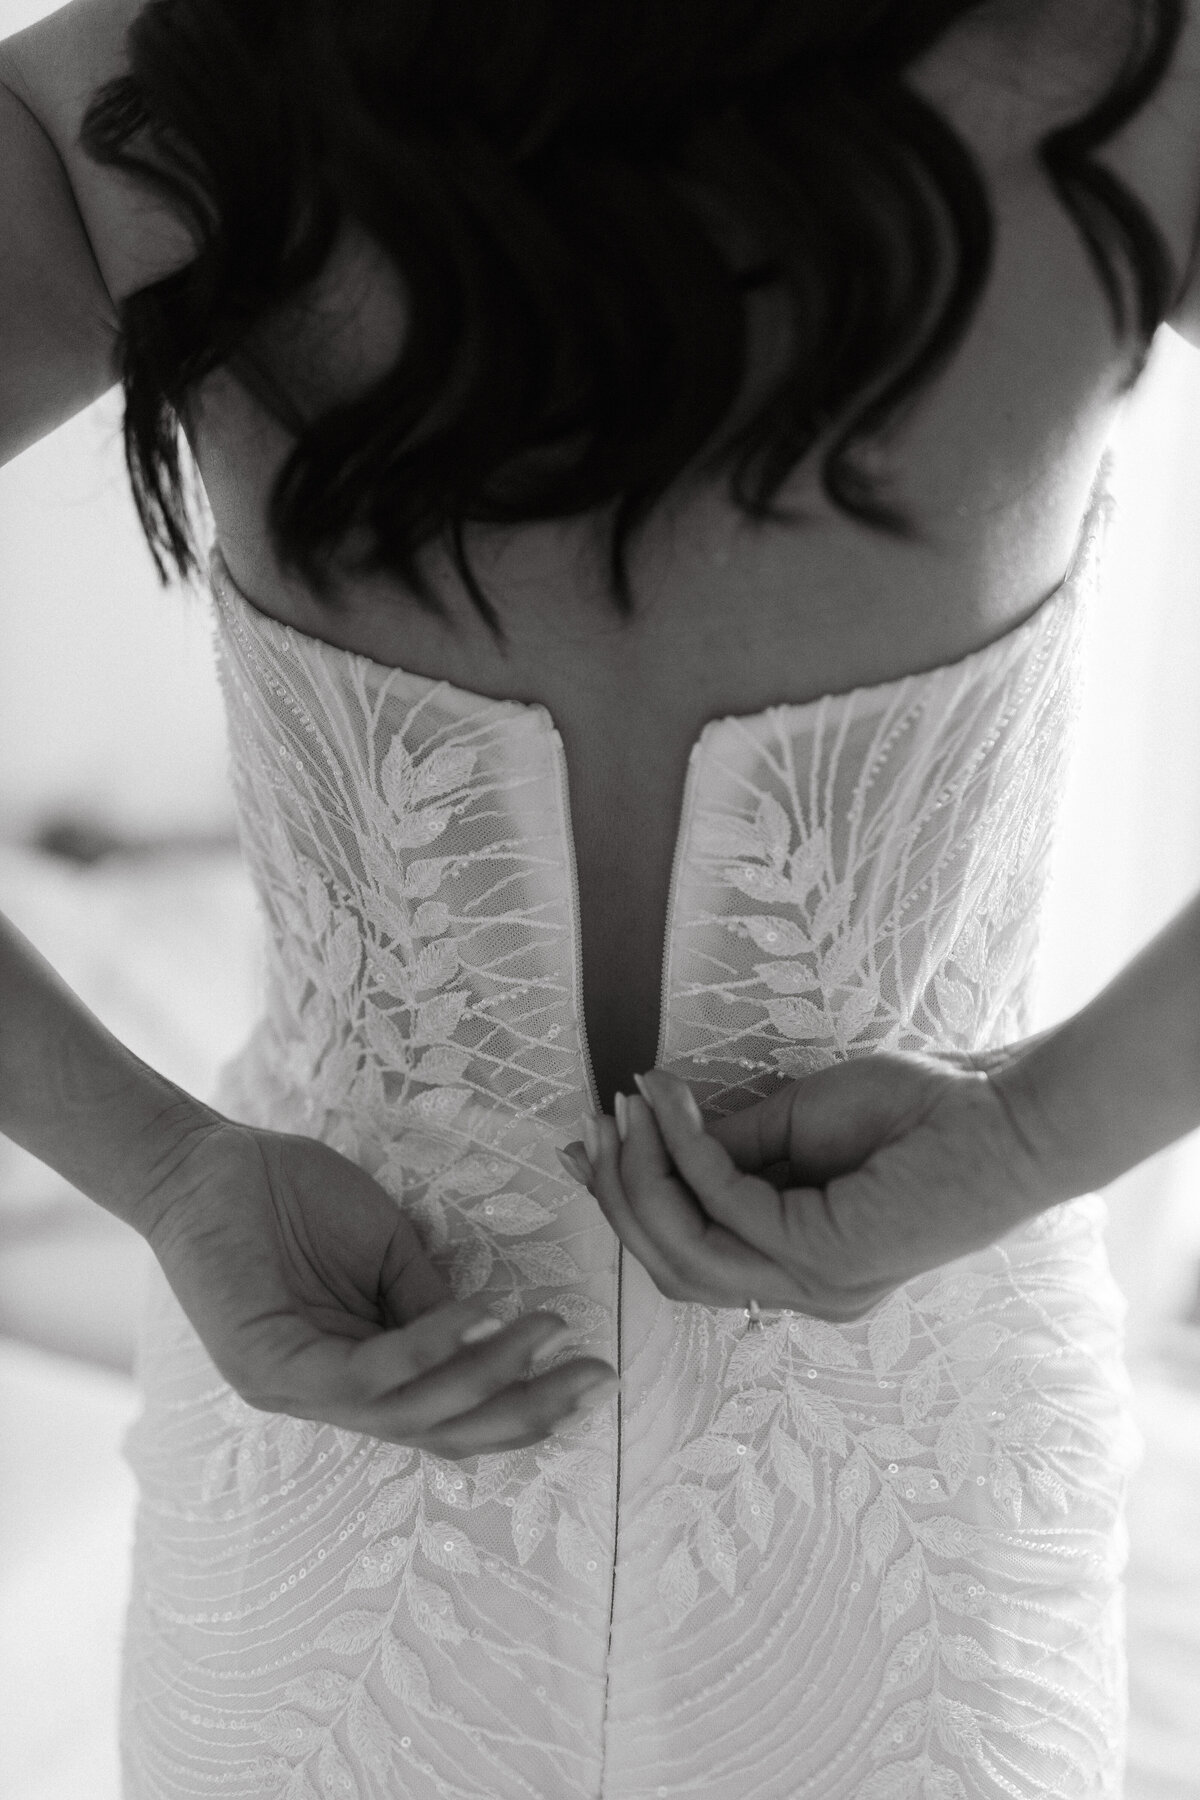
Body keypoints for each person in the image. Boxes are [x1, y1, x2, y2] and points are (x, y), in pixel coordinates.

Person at [1, 0, 1199, 1793]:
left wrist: (163, 1170)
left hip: (348, 1479)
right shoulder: (1134, 83)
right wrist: (1025, 1142)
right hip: (891, 1539)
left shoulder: (138, 103)